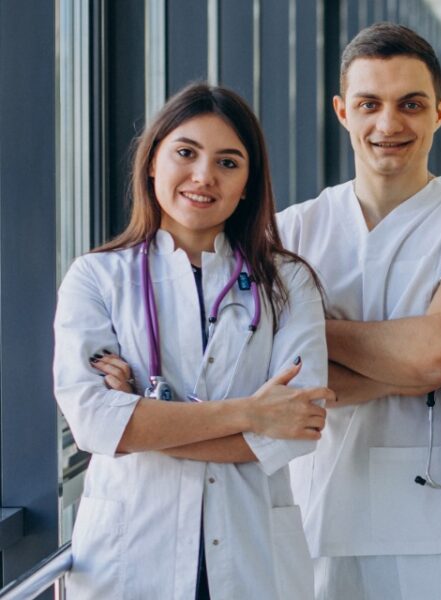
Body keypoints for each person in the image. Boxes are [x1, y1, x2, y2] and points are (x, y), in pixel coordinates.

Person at [53, 83, 331, 599]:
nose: (204, 176)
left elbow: (297, 426)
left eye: (229, 162)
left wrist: (142, 422)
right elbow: (94, 423)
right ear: (153, 161)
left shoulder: (287, 281)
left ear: (248, 183)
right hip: (131, 554)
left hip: (252, 553)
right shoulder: (96, 277)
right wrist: (252, 412)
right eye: (186, 153)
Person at [275, 22, 441, 600]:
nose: (389, 124)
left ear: (440, 112)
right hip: (314, 511)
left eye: (411, 104)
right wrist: (406, 372)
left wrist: (310, 334)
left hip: (436, 519)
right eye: (369, 104)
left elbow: (440, 353)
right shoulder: (292, 228)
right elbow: (275, 379)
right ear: (341, 111)